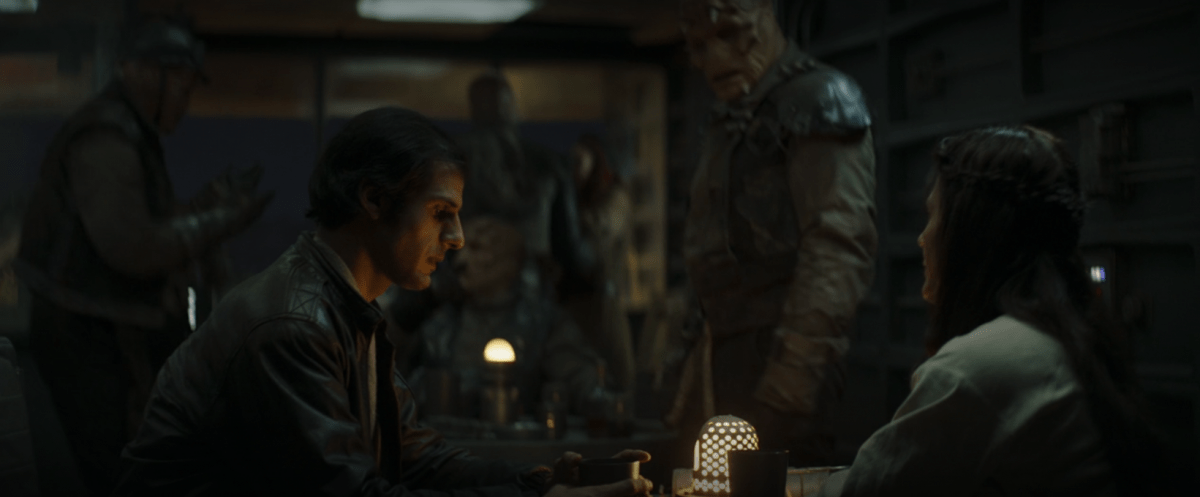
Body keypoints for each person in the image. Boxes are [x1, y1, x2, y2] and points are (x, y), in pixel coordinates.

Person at [115, 106, 653, 497]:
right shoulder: (294, 323)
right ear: (373, 199)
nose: (458, 239)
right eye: (441, 213)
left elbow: (416, 456)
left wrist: (541, 482)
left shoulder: (348, 306)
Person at [818, 125, 1171, 496]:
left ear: (971, 232)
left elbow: (864, 491)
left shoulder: (978, 367)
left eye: (934, 215)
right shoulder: (1077, 341)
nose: (923, 238)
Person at [13, 19, 271, 495]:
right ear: (153, 74)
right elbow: (132, 245)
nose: (185, 103)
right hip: (88, 335)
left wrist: (210, 203)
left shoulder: (128, 132)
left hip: (105, 328)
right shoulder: (108, 134)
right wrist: (221, 221)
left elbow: (151, 223)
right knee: (122, 471)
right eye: (183, 88)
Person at [670, 0, 878, 466]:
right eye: (698, 45)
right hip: (724, 361)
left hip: (782, 364)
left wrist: (789, 387)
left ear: (766, 13)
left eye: (731, 33)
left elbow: (837, 248)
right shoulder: (733, 113)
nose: (714, 58)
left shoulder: (820, 99)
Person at [407, 216, 602, 418]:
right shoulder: (441, 324)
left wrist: (600, 400)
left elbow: (580, 379)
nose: (461, 261)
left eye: (477, 248)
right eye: (461, 250)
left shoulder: (542, 323)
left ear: (508, 261)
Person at [562, 135, 636, 391]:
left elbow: (601, 228)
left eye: (579, 161)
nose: (574, 170)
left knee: (616, 380)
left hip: (604, 303)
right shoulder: (575, 199)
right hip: (573, 305)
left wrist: (569, 213)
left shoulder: (615, 196)